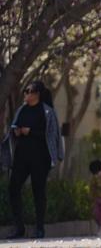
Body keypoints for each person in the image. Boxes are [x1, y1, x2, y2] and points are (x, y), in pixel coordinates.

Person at [2, 81, 63, 239]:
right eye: (25, 91)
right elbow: (14, 126)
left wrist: (31, 132)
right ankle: (19, 227)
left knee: (38, 192)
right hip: (21, 156)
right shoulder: (22, 110)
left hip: (40, 158)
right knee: (13, 187)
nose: (25, 94)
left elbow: (52, 135)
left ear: (37, 94)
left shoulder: (47, 112)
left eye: (28, 91)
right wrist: (16, 131)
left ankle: (40, 228)